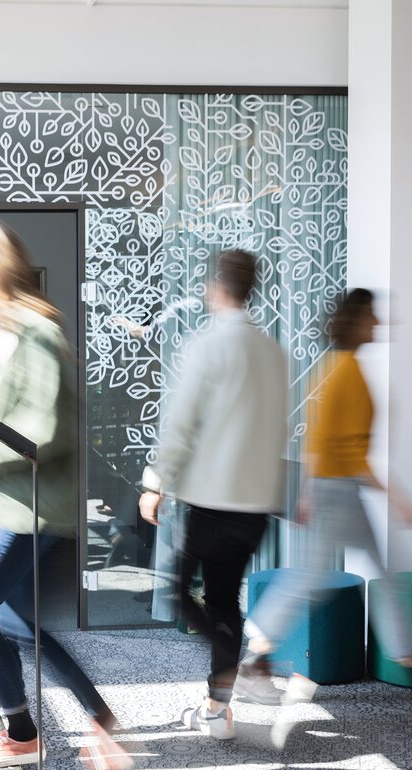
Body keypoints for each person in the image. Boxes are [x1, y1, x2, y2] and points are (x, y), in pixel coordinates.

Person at [0, 216, 130, 770]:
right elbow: (0, 417)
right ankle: (100, 716)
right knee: (13, 622)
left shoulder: (36, 331)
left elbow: (44, 432)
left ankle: (20, 732)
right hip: (7, 501)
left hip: (32, 507)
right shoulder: (3, 331)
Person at [245, 288, 412, 715]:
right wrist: (399, 499)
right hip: (338, 493)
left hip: (337, 491)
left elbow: (320, 437)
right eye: (372, 316)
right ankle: (257, 654)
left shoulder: (336, 367)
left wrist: (309, 491)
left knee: (358, 578)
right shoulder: (346, 373)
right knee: (312, 580)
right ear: (357, 321)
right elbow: (343, 448)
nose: (379, 323)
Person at [139, 250, 288, 741]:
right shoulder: (273, 350)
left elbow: (181, 424)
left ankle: (232, 672)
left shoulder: (209, 345)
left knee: (182, 593)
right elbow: (277, 429)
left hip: (212, 500)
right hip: (255, 503)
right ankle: (217, 706)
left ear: (216, 288)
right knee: (224, 601)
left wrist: (156, 481)